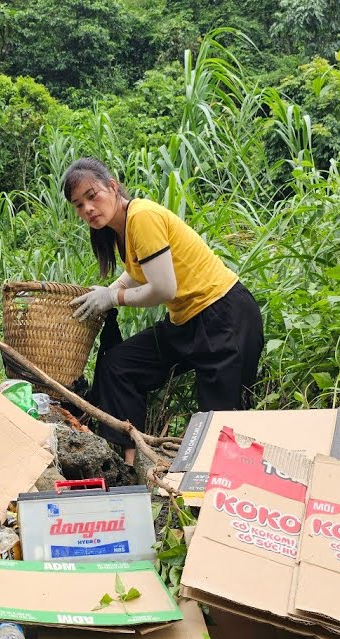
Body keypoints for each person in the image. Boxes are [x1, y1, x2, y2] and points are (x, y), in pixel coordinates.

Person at [63, 157, 265, 463]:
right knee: (118, 365)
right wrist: (110, 288)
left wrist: (113, 297)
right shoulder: (121, 228)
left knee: (222, 427)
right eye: (78, 205)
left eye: (92, 196)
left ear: (112, 187)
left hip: (224, 315)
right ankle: (133, 464)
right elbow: (140, 269)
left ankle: (215, 502)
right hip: (188, 322)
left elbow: (163, 289)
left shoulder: (141, 216)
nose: (87, 209)